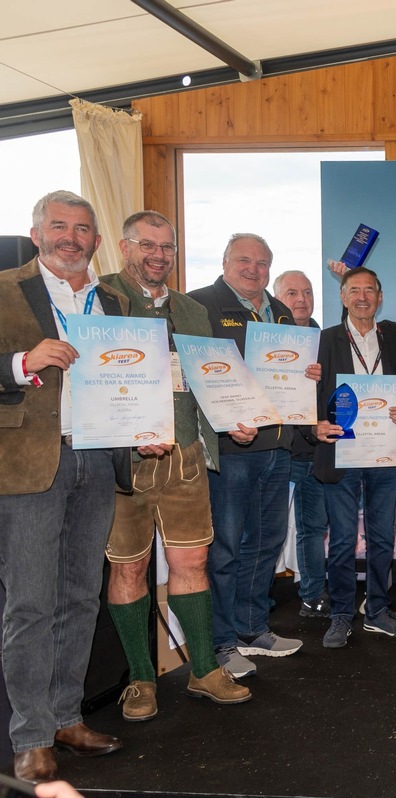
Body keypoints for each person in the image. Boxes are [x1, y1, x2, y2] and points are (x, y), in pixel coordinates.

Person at [102, 211, 251, 724]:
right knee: (128, 567)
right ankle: (142, 677)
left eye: (167, 247)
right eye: (147, 245)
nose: (158, 255)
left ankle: (204, 669)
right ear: (125, 246)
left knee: (192, 563)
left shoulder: (190, 309)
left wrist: (235, 420)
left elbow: (209, 380)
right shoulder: (100, 299)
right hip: (124, 462)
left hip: (185, 456)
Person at [0, 191, 127, 783]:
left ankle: (66, 718)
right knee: (30, 602)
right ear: (36, 233)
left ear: (95, 241)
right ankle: (30, 735)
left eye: (82, 229)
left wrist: (145, 429)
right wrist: (22, 362)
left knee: (81, 597)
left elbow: (135, 378)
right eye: (59, 226)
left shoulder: (114, 302)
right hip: (31, 465)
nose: (71, 238)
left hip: (98, 460)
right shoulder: (5, 288)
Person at [189, 234, 318, 678]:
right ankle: (221, 643)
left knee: (265, 543)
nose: (253, 269)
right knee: (225, 549)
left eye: (262, 263)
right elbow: (191, 375)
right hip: (232, 449)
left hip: (277, 446)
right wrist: (224, 422)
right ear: (225, 262)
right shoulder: (200, 305)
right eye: (244, 260)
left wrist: (307, 373)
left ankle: (251, 628)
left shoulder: (280, 311)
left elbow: (288, 372)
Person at [313, 268, 396, 648]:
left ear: (380, 297)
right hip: (341, 449)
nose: (362, 297)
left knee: (382, 536)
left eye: (369, 290)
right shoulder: (324, 341)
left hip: (384, 450)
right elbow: (307, 393)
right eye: (354, 290)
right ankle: (341, 614)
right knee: (342, 539)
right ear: (342, 297)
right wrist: (315, 424)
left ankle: (377, 611)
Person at [272, 270, 329, 619]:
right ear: (276, 298)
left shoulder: (326, 341)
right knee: (267, 530)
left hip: (315, 452)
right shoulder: (265, 342)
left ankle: (312, 595)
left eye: (307, 292)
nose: (301, 299)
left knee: (313, 529)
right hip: (275, 451)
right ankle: (255, 601)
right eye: (292, 293)